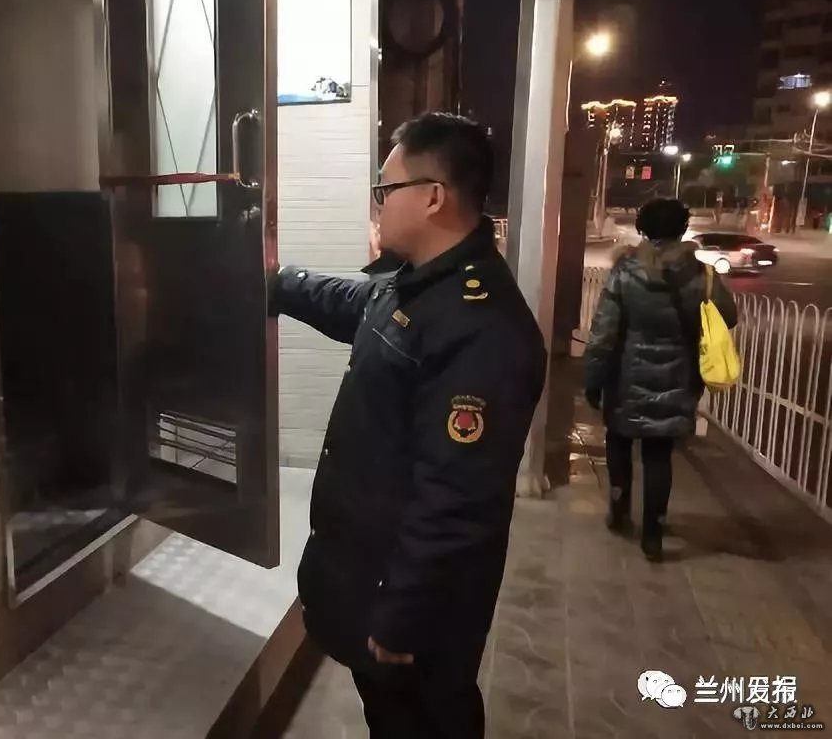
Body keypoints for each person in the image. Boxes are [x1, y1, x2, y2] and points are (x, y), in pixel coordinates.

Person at [270, 112, 547, 738]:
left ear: (432, 197)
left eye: (384, 189)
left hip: (414, 610)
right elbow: (351, 302)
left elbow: (457, 501)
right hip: (372, 577)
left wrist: (403, 617)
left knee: (425, 720)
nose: (378, 203)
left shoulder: (483, 328)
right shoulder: (416, 285)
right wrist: (279, 283)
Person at [584, 198, 737, 562]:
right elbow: (728, 316)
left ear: (643, 229)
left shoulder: (626, 272)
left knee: (619, 442)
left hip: (626, 378)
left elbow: (604, 332)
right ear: (682, 230)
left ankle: (620, 511)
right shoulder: (701, 275)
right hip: (678, 378)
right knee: (658, 455)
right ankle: (653, 533)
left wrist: (593, 378)